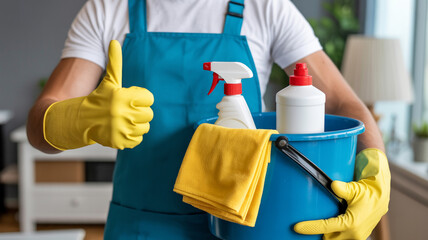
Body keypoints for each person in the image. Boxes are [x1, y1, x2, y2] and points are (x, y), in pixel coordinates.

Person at [27, 0, 390, 239]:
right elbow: (42, 118)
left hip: (246, 224)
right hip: (141, 226)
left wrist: (375, 169)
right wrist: (76, 119)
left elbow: (343, 101)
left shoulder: (265, 8)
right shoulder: (109, 8)